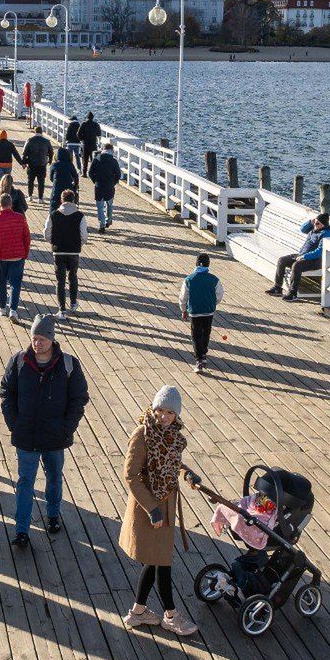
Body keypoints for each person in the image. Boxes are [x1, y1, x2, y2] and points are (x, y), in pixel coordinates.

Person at [0, 314, 89, 548]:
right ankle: (21, 530)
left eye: (42, 338)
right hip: (26, 435)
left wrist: (66, 428)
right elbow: (6, 392)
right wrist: (14, 424)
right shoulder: (19, 361)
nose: (37, 343)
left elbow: (79, 398)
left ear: (52, 338)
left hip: (54, 436)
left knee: (54, 478)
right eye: (34, 338)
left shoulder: (69, 364)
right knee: (25, 482)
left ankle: (52, 514)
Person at [120, 386, 199, 635]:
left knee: (157, 561)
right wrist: (153, 508)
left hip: (165, 505)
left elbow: (172, 463)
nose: (164, 416)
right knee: (162, 562)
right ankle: (171, 615)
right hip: (149, 510)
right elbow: (131, 476)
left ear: (177, 415)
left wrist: (187, 474)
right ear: (153, 409)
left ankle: (138, 612)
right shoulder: (142, 434)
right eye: (160, 410)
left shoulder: (172, 436)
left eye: (169, 412)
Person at [268, 211, 330, 300]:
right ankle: (277, 288)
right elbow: (302, 229)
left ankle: (293, 293)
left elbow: (319, 252)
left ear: (324, 225)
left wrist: (304, 257)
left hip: (316, 260)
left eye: (317, 223)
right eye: (315, 223)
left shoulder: (326, 234)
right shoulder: (315, 229)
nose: (315, 225)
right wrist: (310, 222)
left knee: (296, 265)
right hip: (302, 255)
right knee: (282, 260)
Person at [0, 192, 31, 319]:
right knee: (15, 284)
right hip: (17, 256)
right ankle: (13, 310)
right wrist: (25, 253)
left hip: (0, 256)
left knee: (1, 282)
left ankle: (2, 307)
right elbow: (26, 237)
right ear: (11, 204)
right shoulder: (20, 217)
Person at [44, 188, 88, 318]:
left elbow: (46, 232)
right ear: (74, 200)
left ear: (61, 200)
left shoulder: (53, 214)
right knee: (73, 276)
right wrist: (79, 244)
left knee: (60, 281)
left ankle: (62, 310)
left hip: (59, 251)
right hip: (74, 251)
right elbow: (84, 235)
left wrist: (53, 242)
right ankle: (73, 303)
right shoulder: (80, 215)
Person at [179, 253, 224, 373]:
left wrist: (184, 310)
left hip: (195, 312)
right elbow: (219, 295)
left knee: (196, 335)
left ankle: (199, 360)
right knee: (206, 332)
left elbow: (183, 297)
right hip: (208, 311)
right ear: (208, 265)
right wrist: (213, 303)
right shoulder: (214, 279)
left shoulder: (189, 279)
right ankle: (204, 353)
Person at [87, 146, 121, 230]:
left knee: (100, 206)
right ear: (111, 150)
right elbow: (118, 174)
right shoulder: (113, 161)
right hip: (109, 185)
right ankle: (108, 220)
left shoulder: (97, 159)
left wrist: (95, 181)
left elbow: (90, 172)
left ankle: (101, 224)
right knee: (109, 204)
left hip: (99, 185)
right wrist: (113, 183)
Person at [21, 128, 53, 201]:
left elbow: (24, 152)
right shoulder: (46, 141)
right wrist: (50, 161)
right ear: (42, 132)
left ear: (35, 132)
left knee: (30, 181)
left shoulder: (30, 140)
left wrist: (23, 162)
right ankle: (40, 198)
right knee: (41, 182)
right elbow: (51, 152)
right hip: (42, 164)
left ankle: (30, 196)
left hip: (31, 164)